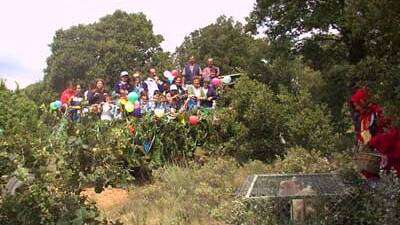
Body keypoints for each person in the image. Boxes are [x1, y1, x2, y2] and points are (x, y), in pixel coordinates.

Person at [350, 88, 389, 182]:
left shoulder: (377, 113)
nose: (357, 108)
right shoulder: (364, 116)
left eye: (357, 105)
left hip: (383, 151)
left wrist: (372, 142)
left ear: (363, 102)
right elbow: (365, 135)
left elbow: (385, 131)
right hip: (371, 155)